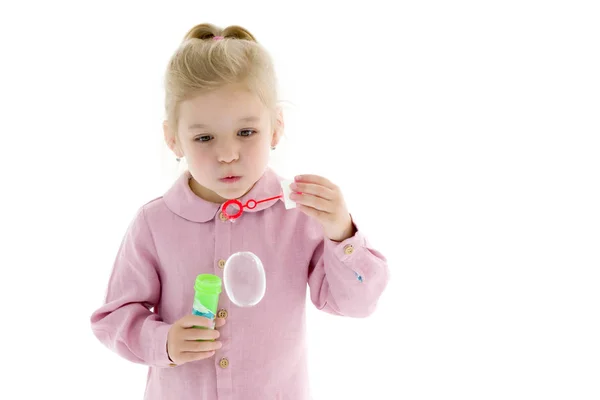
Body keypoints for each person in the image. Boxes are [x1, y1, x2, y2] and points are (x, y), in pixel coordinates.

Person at [90, 22, 390, 400]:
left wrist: (342, 233)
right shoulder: (154, 223)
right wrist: (163, 341)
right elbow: (113, 317)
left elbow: (357, 304)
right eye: (204, 137)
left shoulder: (297, 215)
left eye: (246, 132)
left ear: (276, 128)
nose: (227, 153)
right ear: (173, 138)